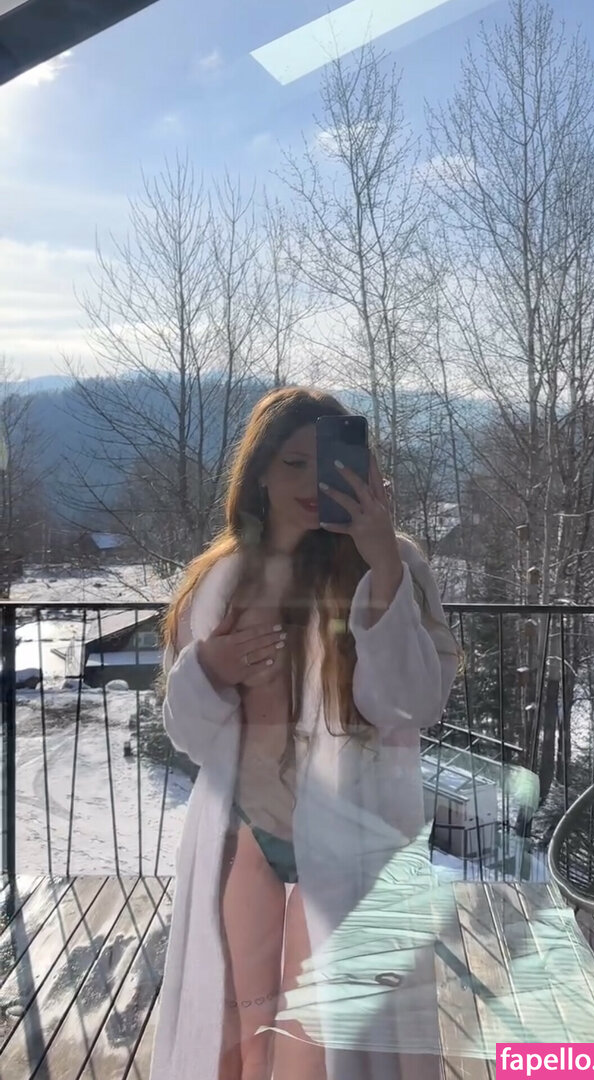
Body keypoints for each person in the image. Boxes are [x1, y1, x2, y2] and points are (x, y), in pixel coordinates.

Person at [149, 387, 460, 1080]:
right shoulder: (223, 579)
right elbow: (189, 735)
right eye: (294, 463)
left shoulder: (396, 563)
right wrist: (210, 669)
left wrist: (382, 566)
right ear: (259, 472)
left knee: (321, 1040)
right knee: (239, 1035)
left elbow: (412, 703)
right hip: (244, 834)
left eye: (330, 465)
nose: (313, 483)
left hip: (355, 833)